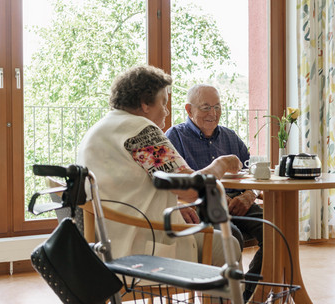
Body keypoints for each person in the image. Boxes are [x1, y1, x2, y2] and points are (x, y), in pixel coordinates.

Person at [77, 66, 242, 267]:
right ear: (145, 103)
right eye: (163, 103)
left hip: (104, 244)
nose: (166, 111)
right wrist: (222, 162)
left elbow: (133, 186)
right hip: (141, 248)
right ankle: (230, 299)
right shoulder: (141, 131)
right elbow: (192, 189)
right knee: (228, 244)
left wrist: (175, 205)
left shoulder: (100, 129)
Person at [165, 84, 263, 301]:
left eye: (217, 107)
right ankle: (222, 301)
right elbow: (175, 185)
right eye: (206, 107)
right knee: (232, 237)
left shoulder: (230, 137)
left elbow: (253, 174)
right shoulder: (174, 137)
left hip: (239, 202)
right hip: (204, 206)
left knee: (275, 231)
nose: (213, 113)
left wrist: (249, 194)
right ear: (189, 110)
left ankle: (248, 297)